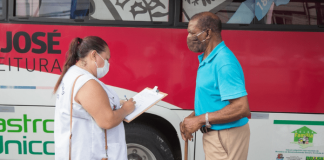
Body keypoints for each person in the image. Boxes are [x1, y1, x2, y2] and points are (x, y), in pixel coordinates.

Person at [180, 12, 251, 160]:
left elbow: (241, 108)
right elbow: (214, 99)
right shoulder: (208, 58)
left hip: (226, 136)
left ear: (207, 33)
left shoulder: (224, 63)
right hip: (217, 136)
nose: (188, 37)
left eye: (192, 33)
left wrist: (199, 120)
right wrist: (193, 118)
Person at [53, 36, 136, 160]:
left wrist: (115, 103)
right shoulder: (87, 82)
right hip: (89, 154)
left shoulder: (73, 73)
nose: (107, 64)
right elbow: (107, 121)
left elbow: (87, 106)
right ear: (93, 55)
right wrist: (126, 109)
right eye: (106, 59)